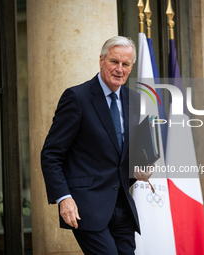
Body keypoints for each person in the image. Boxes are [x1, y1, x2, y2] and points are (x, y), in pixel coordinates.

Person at [41, 36, 151, 255]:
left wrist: (143, 167)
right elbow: (51, 155)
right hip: (87, 206)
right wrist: (64, 198)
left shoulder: (136, 101)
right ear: (101, 60)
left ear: (131, 67)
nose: (119, 69)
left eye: (126, 64)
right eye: (114, 62)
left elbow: (139, 152)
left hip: (123, 207)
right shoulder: (77, 97)